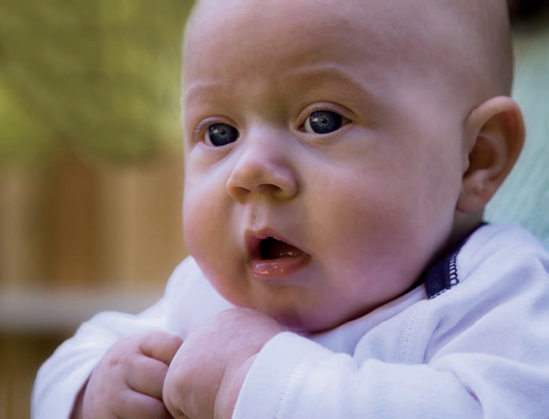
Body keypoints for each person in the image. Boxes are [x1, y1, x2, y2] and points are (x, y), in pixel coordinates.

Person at [33, 0, 549, 417]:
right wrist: (97, 390)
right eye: (220, 133)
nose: (249, 171)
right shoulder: (207, 298)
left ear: (475, 158)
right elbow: (69, 363)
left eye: (322, 121)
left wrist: (257, 381)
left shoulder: (494, 288)